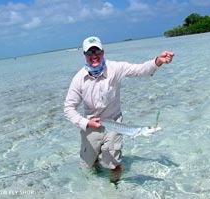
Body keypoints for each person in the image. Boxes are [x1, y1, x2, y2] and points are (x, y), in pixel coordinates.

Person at [64, 36, 174, 182]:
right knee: (87, 165)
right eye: (89, 53)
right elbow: (69, 108)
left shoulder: (115, 68)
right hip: (90, 124)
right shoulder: (78, 79)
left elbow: (140, 70)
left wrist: (157, 61)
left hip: (114, 123)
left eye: (97, 51)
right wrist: (86, 123)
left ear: (103, 52)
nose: (94, 55)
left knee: (113, 163)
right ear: (84, 55)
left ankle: (115, 188)